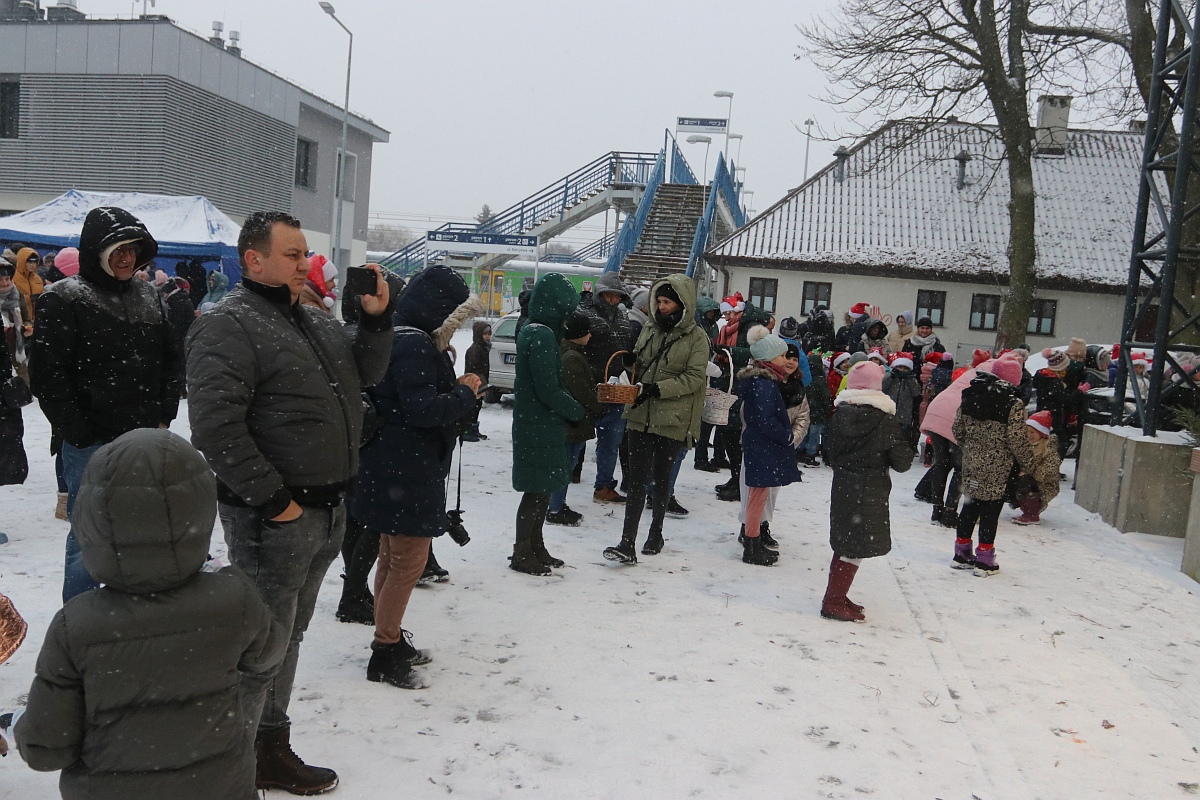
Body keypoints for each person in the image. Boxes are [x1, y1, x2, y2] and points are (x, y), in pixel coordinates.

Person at [186, 211, 393, 794]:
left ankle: (268, 745)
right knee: (259, 645)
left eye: (305, 254)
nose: (306, 264)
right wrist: (275, 502)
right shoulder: (227, 324)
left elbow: (366, 376)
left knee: (289, 635)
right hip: (274, 517)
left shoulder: (312, 319)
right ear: (254, 260)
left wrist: (376, 323)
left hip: (325, 510)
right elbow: (216, 428)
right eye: (293, 255)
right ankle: (235, 757)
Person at [13, 429, 286, 800]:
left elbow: (46, 749)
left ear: (94, 522)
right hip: (218, 787)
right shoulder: (231, 598)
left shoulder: (77, 625)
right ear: (200, 509)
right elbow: (268, 654)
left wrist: (24, 728)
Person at [29, 206, 180, 603]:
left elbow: (170, 358)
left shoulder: (149, 295)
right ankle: (79, 625)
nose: (127, 257)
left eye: (134, 249)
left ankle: (125, 616)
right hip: (90, 443)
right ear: (96, 251)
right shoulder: (63, 299)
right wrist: (79, 432)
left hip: (145, 437)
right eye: (118, 249)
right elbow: (49, 376)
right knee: (88, 538)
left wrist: (164, 413)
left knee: (140, 531)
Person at [348, 264, 481, 686]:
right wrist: (464, 392)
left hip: (390, 466)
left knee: (392, 555)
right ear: (440, 311)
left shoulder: (396, 335)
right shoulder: (415, 346)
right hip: (408, 469)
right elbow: (423, 411)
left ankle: (387, 638)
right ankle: (385, 650)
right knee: (408, 561)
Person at [604, 275, 708, 563]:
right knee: (636, 480)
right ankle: (627, 543)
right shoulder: (650, 329)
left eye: (666, 302)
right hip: (640, 414)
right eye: (658, 301)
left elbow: (694, 378)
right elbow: (640, 359)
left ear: (681, 303)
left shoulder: (696, 338)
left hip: (672, 418)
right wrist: (631, 363)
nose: (661, 307)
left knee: (661, 482)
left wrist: (657, 389)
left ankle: (656, 531)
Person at [821, 361, 913, 621]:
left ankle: (837, 593)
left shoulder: (839, 415)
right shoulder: (883, 420)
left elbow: (830, 452)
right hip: (870, 489)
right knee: (856, 546)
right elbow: (903, 462)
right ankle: (833, 600)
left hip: (844, 486)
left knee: (846, 541)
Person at [511, 274, 585, 574]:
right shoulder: (540, 336)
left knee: (542, 491)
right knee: (536, 492)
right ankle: (522, 553)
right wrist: (576, 409)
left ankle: (535, 546)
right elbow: (548, 388)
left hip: (538, 423)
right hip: (538, 424)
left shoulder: (536, 331)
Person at [952, 357, 1036, 576]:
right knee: (990, 510)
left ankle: (961, 553)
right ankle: (985, 559)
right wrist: (1028, 463)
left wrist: (971, 448)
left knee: (970, 504)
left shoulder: (970, 395)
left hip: (971, 462)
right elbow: (1016, 439)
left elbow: (957, 429)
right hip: (998, 467)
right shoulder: (1012, 404)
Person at [735, 332, 806, 565]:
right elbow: (766, 419)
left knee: (759, 496)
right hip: (762, 445)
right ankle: (751, 546)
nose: (786, 360)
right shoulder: (764, 384)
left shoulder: (763, 382)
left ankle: (753, 542)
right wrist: (785, 435)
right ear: (768, 358)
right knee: (757, 498)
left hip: (759, 444)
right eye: (782, 355)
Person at [577, 272, 633, 504]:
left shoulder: (622, 316)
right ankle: (560, 486)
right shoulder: (584, 313)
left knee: (611, 441)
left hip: (616, 388)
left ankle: (604, 486)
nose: (613, 300)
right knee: (577, 439)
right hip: (589, 386)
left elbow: (627, 344)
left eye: (617, 296)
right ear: (600, 293)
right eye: (609, 295)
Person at [713, 291, 771, 501]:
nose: (725, 319)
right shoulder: (736, 327)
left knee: (735, 433)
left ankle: (740, 480)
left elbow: (757, 354)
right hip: (734, 382)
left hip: (744, 385)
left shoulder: (751, 328)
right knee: (729, 431)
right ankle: (736, 477)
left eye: (728, 314)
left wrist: (729, 351)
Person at [548, 313, 606, 527]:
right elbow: (579, 389)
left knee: (566, 464)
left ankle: (557, 504)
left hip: (572, 419)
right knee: (565, 465)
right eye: (586, 331)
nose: (590, 335)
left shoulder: (570, 352)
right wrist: (597, 406)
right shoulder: (571, 356)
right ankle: (555, 507)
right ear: (577, 334)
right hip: (572, 420)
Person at [1010, 410, 1061, 525]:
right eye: (1027, 432)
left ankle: (1032, 513)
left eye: (1033, 432)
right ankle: (1023, 506)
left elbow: (1047, 471)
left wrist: (1028, 473)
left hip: (1043, 485)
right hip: (1030, 480)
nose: (1029, 435)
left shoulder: (1049, 451)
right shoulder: (1026, 447)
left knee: (1025, 482)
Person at [693, 294, 723, 472]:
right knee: (705, 422)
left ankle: (701, 456)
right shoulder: (700, 330)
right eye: (709, 313)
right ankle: (700, 457)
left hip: (706, 380)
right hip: (703, 379)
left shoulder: (708, 328)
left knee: (706, 422)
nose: (712, 316)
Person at [799, 351, 831, 467]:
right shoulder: (821, 380)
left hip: (806, 411)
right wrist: (827, 411)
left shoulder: (804, 378)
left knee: (804, 433)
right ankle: (810, 455)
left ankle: (800, 452)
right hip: (818, 414)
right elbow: (826, 397)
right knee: (814, 436)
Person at [882, 353, 922, 446]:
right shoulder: (889, 376)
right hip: (889, 411)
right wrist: (891, 376)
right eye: (900, 367)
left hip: (904, 414)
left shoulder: (911, 379)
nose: (902, 370)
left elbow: (916, 392)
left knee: (901, 437)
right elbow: (883, 387)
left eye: (905, 368)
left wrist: (910, 379)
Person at [463, 320, 492, 441]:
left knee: (477, 406)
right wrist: (477, 383)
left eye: (489, 333)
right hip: (474, 384)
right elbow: (473, 369)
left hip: (480, 383)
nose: (488, 336)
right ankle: (467, 430)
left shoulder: (483, 347)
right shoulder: (475, 349)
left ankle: (474, 429)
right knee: (472, 407)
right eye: (485, 333)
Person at [13, 249, 44, 329]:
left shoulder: (38, 279)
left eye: (34, 263)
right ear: (22, 262)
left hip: (36, 320)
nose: (32, 265)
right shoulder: (13, 278)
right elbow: (11, 299)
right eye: (29, 262)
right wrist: (29, 298)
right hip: (19, 319)